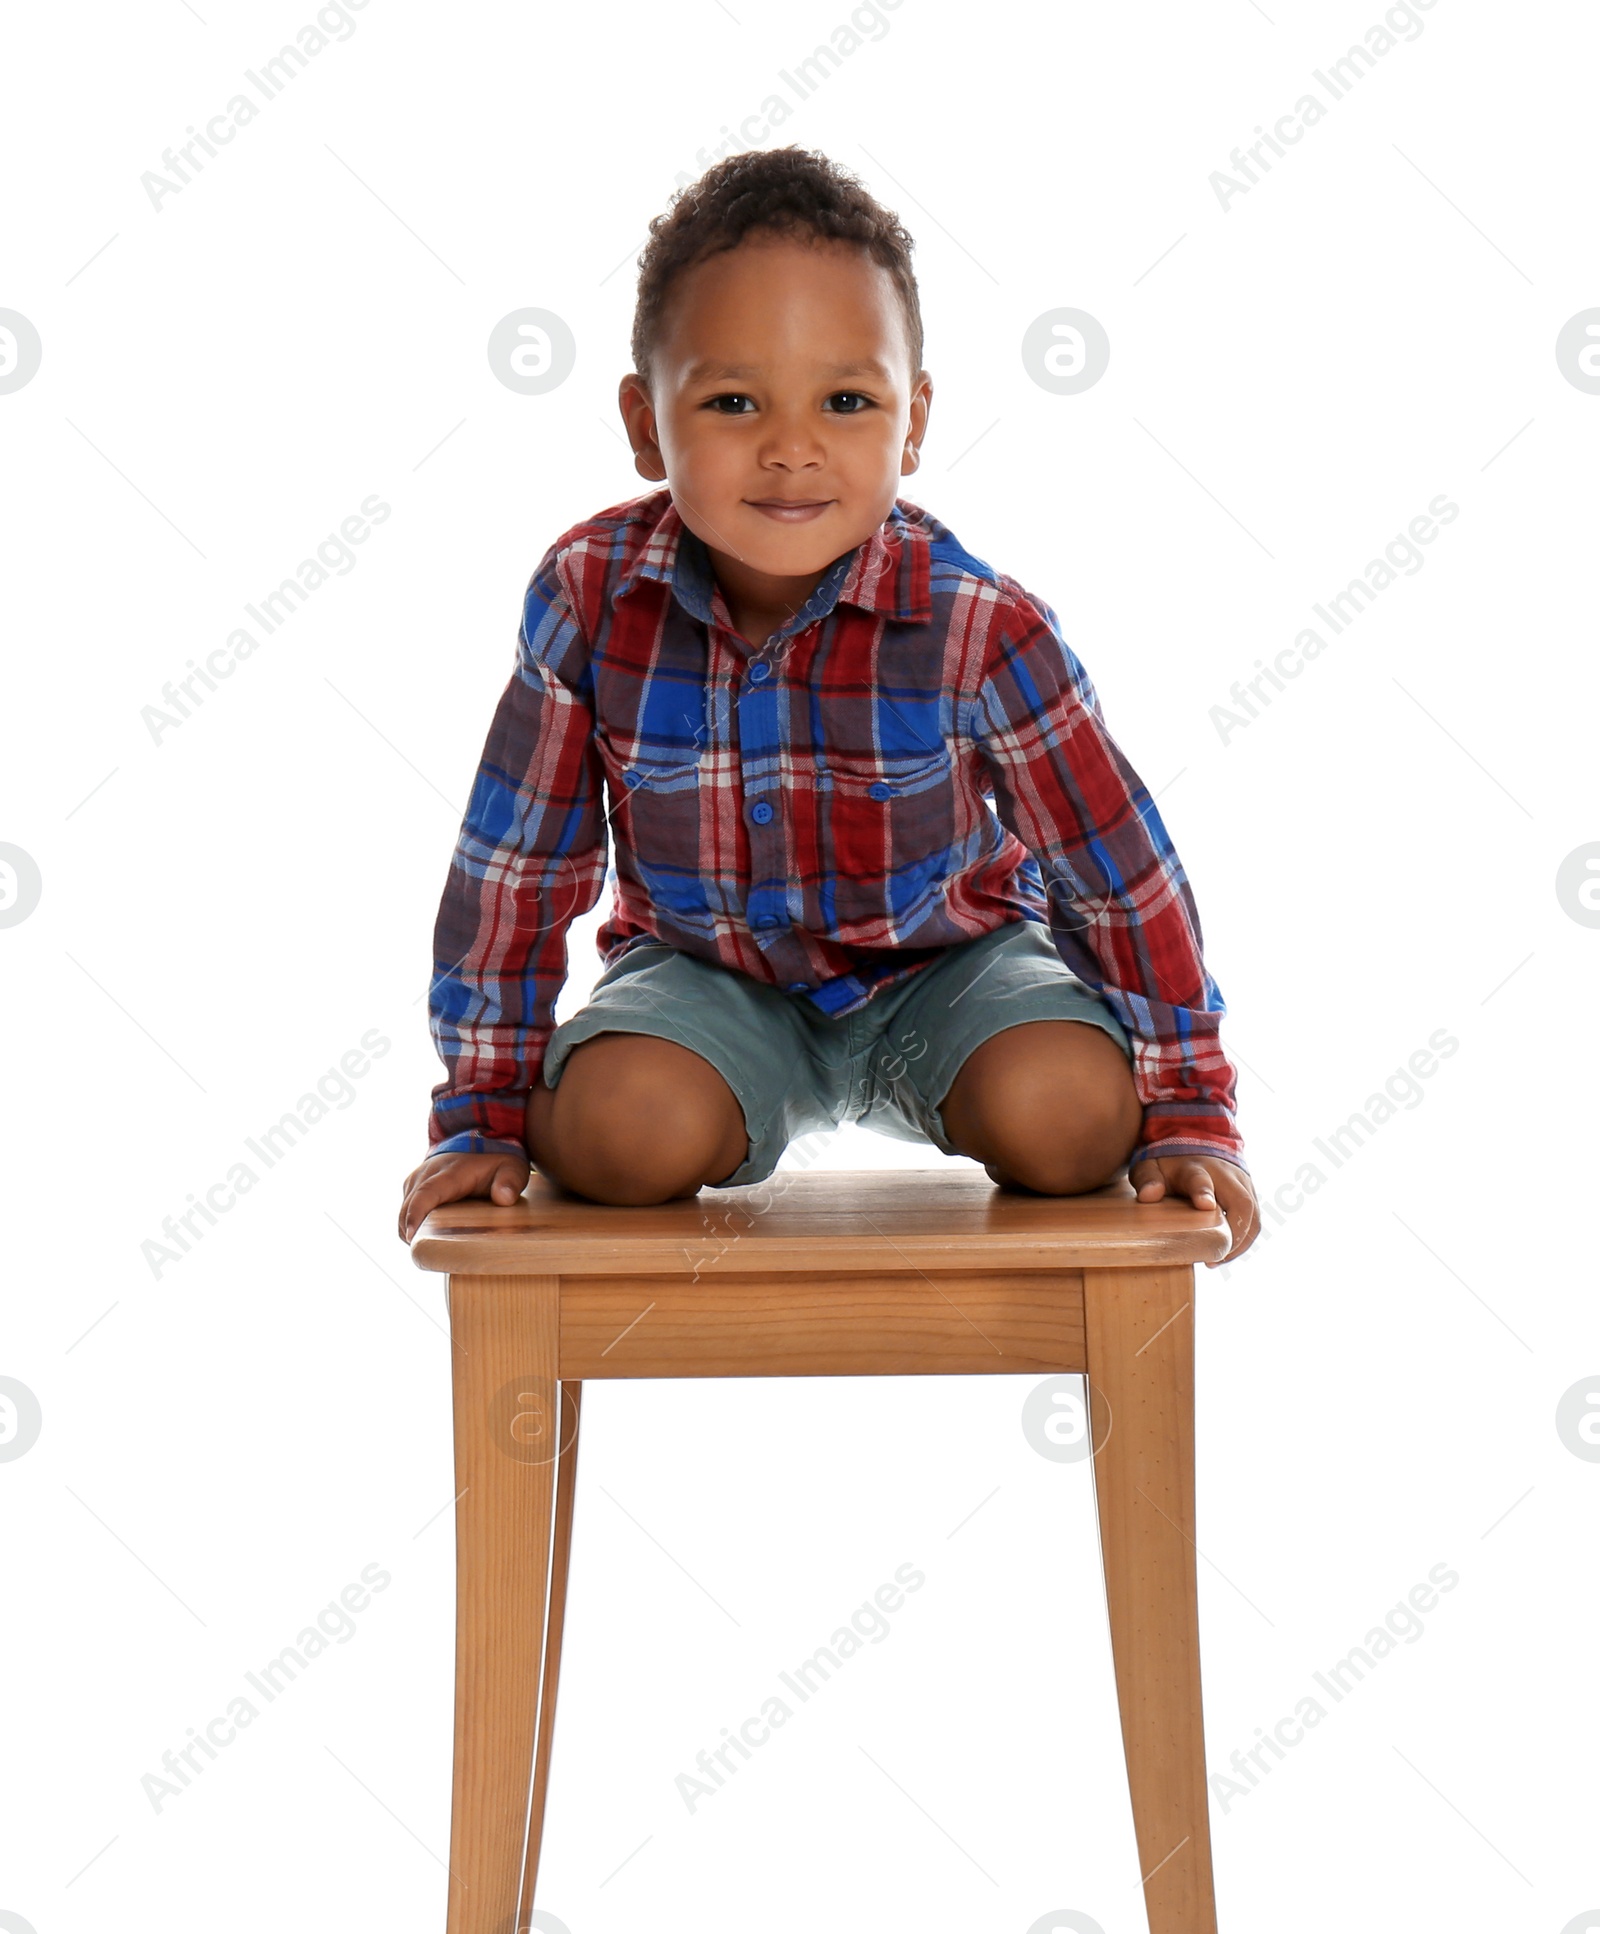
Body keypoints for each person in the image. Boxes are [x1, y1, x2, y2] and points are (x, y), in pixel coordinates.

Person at [398, 147, 1258, 1260]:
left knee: (1075, 1118)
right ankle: (626, 1105)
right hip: (707, 979)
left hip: (952, 969)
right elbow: (515, 867)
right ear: (646, 423)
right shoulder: (590, 596)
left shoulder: (977, 626)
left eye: (846, 400)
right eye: (732, 399)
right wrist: (482, 1105)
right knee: (619, 1139)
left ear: (912, 422)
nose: (792, 448)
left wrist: (1189, 1101)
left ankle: (1033, 1086)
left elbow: (1115, 866)